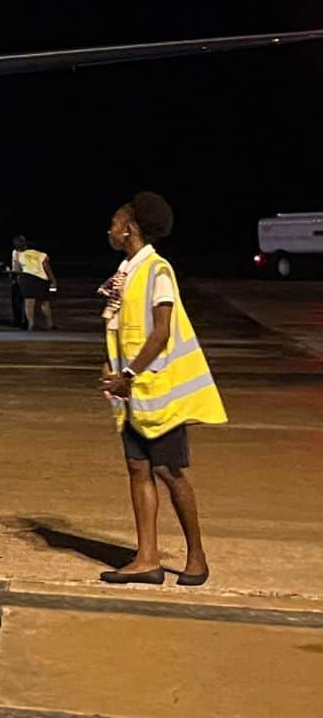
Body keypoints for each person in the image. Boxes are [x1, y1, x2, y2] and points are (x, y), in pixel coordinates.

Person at [98, 192, 225, 586]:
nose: (110, 228)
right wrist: (110, 366)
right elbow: (121, 326)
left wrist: (129, 375)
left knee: (170, 472)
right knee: (137, 468)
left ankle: (197, 558)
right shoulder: (127, 271)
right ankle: (146, 559)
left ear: (130, 229)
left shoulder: (158, 270)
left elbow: (161, 331)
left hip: (159, 392)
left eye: (116, 221)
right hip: (133, 395)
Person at [14, 235, 57, 330]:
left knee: (29, 303)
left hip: (25, 278)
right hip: (40, 279)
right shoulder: (40, 254)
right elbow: (47, 267)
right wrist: (53, 280)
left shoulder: (18, 255)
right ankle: (50, 324)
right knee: (44, 302)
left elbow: (17, 269)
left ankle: (31, 325)